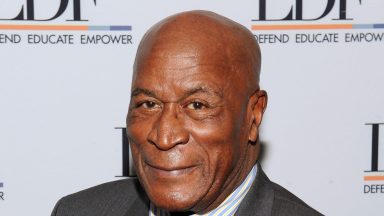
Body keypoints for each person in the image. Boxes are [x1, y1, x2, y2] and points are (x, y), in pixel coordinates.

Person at [51, 10, 323, 216]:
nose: (165, 137)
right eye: (148, 104)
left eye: (197, 105)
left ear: (253, 115)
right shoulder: (77, 211)